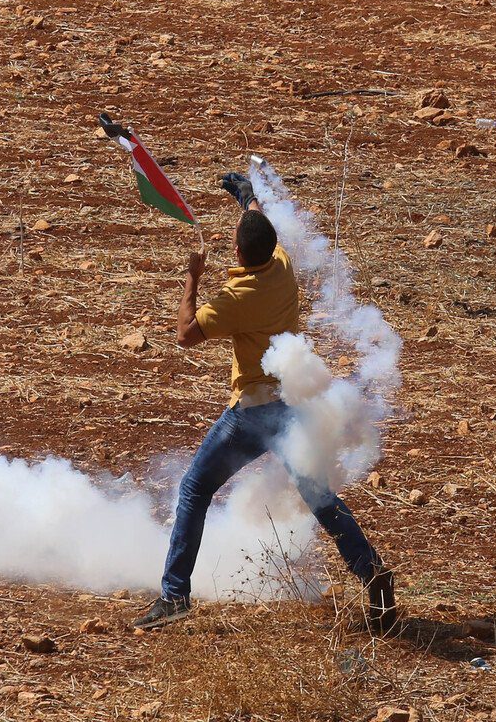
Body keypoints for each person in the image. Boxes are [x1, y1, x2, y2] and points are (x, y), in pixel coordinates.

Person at [133, 173, 396, 631]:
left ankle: (175, 596)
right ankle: (371, 573)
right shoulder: (281, 264)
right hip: (291, 405)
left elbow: (185, 334)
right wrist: (247, 197)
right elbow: (260, 225)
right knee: (320, 499)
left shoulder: (236, 298)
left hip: (252, 414)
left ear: (237, 254)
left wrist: (192, 279)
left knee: (194, 490)